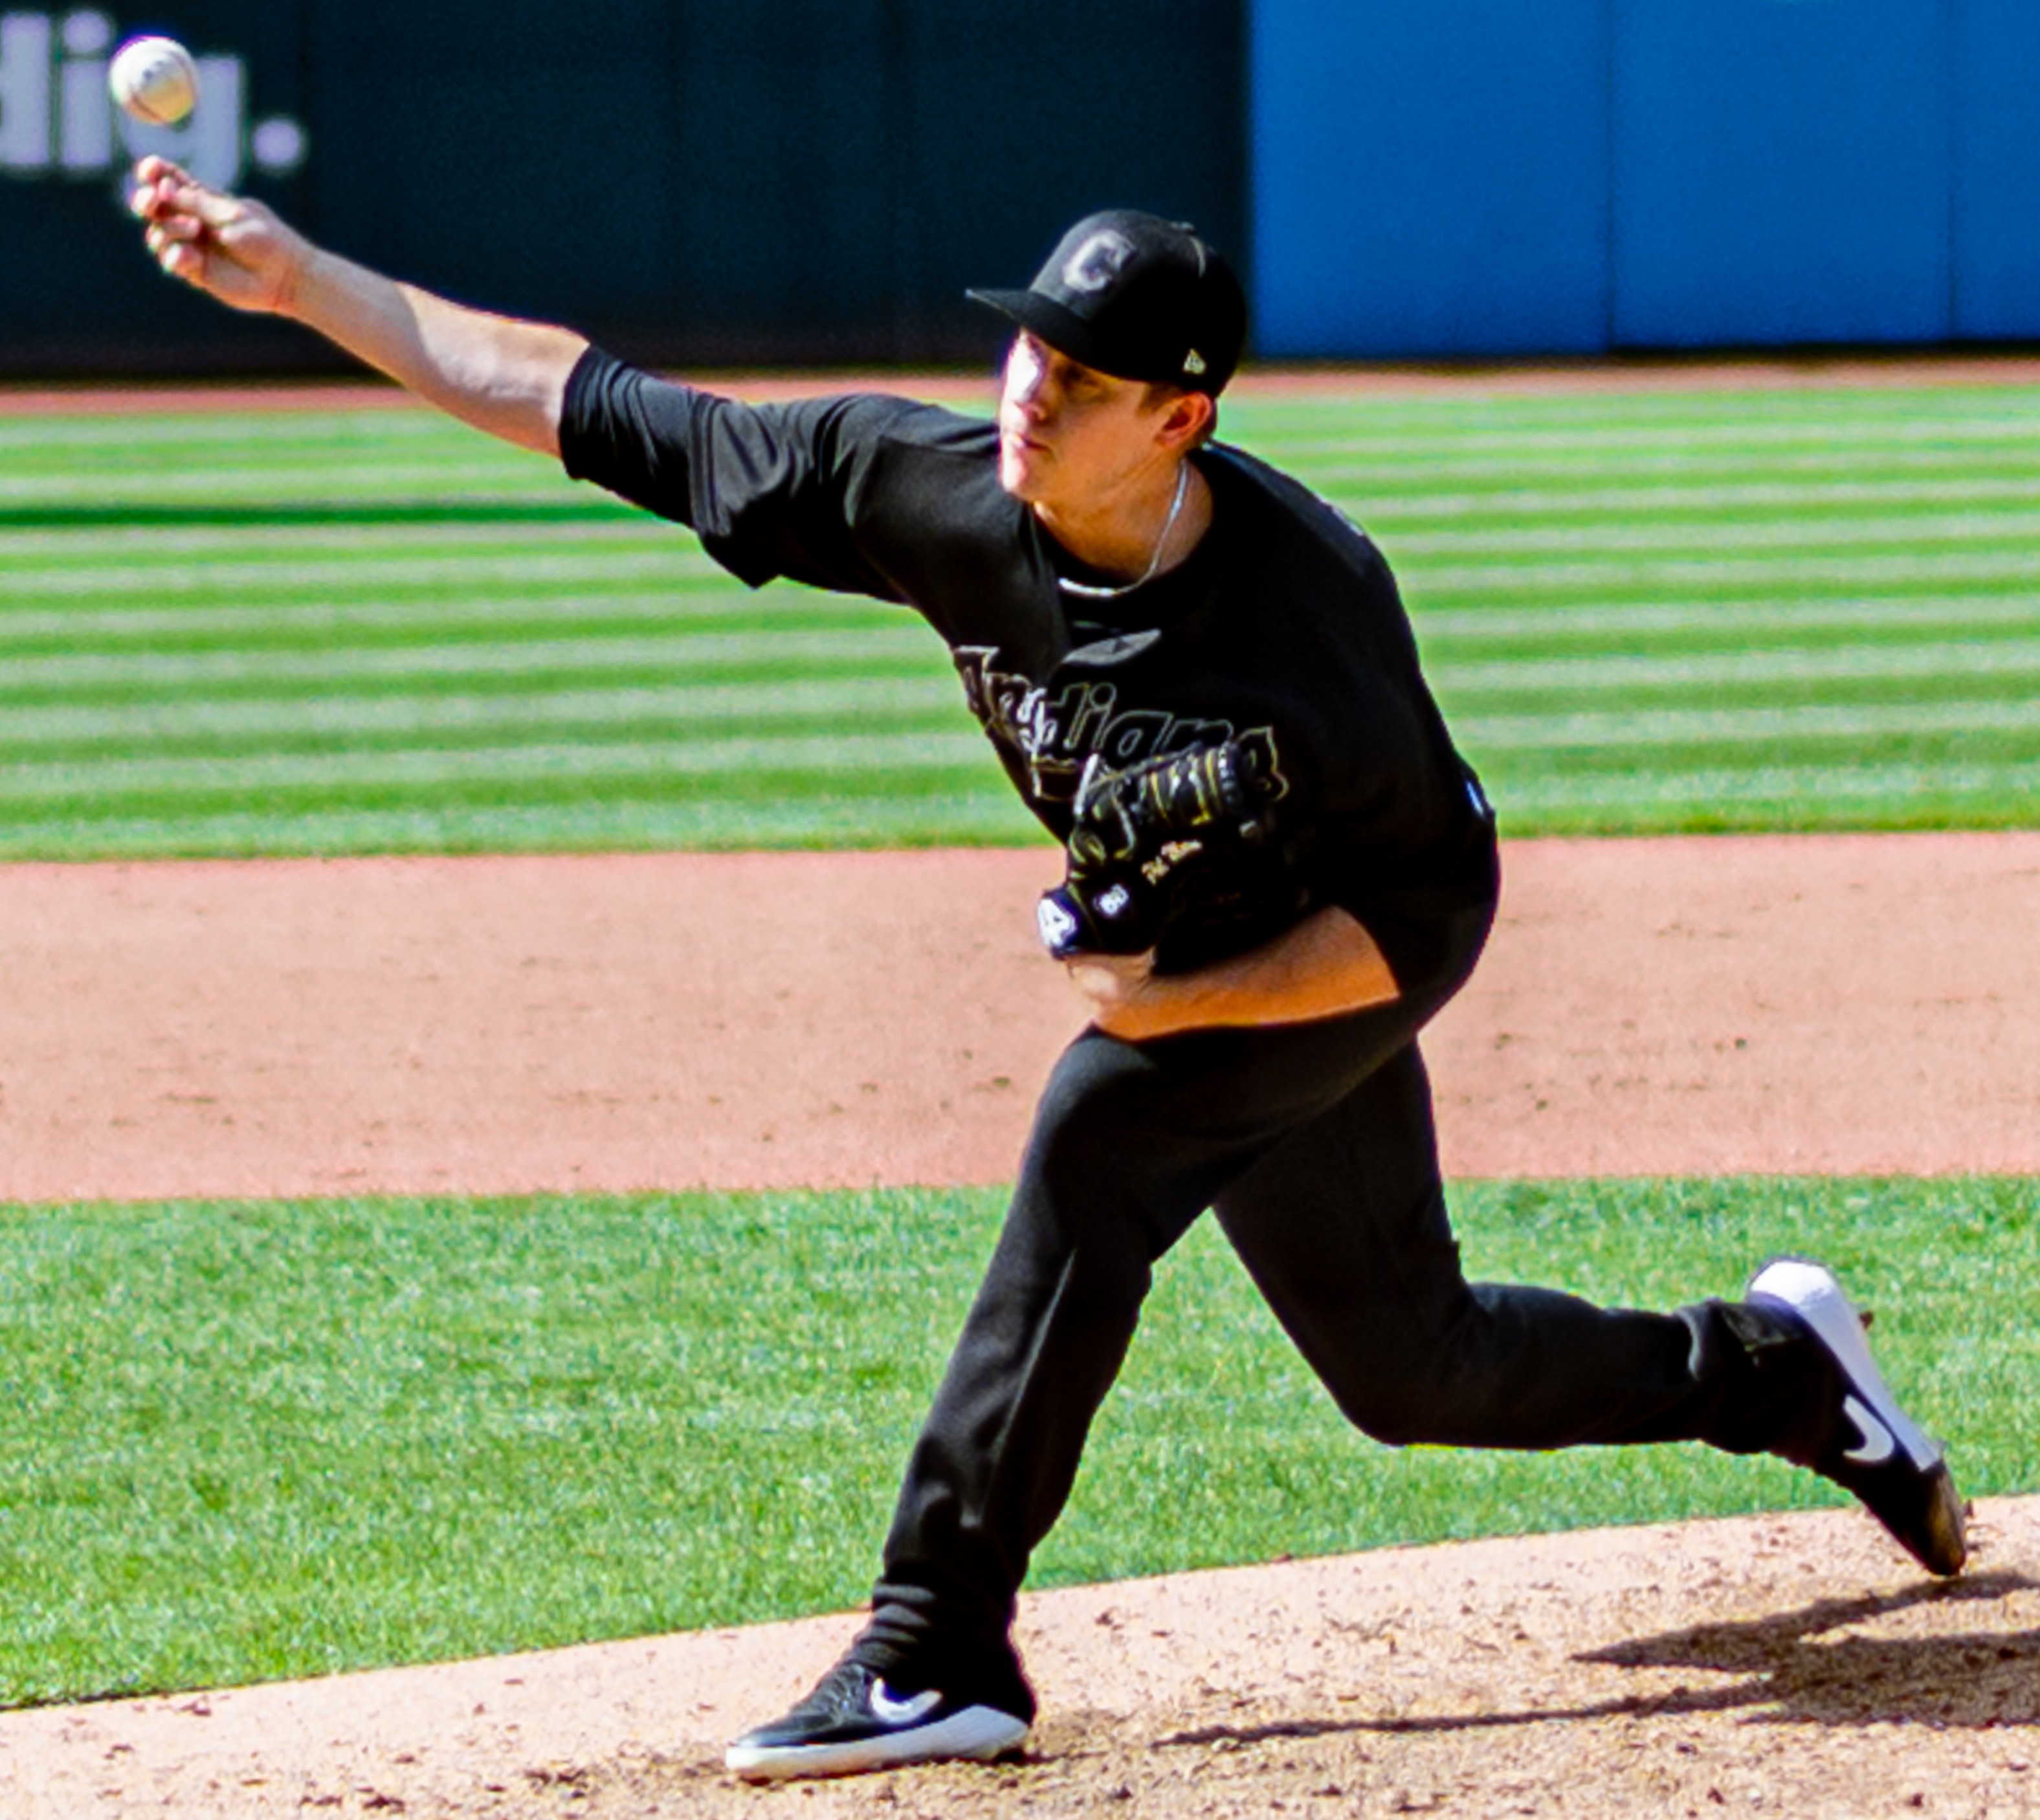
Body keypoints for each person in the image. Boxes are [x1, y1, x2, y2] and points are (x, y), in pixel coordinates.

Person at [131, 161, 1967, 1784]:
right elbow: (595, 404)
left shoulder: (1306, 616)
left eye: (1078, 378)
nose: (1027, 391)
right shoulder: (929, 486)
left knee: (1104, 1126)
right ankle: (1786, 1374)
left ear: (1177, 419)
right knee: (1413, 1364)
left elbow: (1420, 920)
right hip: (1215, 942)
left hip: (1359, 940)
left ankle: (938, 1639)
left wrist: (1169, 1007)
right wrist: (297, 278)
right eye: (1024, 349)